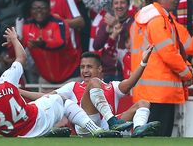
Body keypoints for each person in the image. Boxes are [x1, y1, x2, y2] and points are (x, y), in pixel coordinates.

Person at [22, 47, 160, 137]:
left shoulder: (112, 86)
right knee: (94, 82)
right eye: (82, 67)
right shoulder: (73, 86)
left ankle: (138, 129)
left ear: (100, 69)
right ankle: (113, 121)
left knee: (143, 102)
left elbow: (130, 83)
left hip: (106, 128)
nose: (85, 71)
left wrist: (143, 62)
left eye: (89, 67)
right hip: (86, 128)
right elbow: (46, 97)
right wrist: (18, 91)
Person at [130, 0, 193, 136]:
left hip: (147, 90)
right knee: (160, 137)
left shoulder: (143, 19)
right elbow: (168, 53)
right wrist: (187, 74)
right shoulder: (158, 20)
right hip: (160, 92)